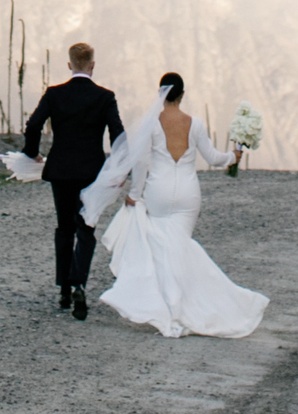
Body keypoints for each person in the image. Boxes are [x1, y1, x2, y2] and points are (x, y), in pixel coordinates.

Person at [81, 72, 268, 340]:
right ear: (182, 95)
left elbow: (142, 163)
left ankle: (171, 306)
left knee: (163, 249)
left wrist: (136, 192)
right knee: (179, 246)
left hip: (158, 191)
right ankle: (188, 304)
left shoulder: (152, 124)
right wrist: (234, 156)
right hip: (188, 194)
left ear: (161, 93)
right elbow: (214, 158)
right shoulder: (196, 124)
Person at [19, 41, 124, 321]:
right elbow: (118, 135)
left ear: (69, 65)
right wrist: (118, 169)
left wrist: (32, 154)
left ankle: (64, 289)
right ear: (92, 65)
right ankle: (79, 283)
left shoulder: (55, 94)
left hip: (61, 171)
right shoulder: (105, 97)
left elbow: (33, 125)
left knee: (64, 227)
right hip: (92, 173)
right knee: (85, 229)